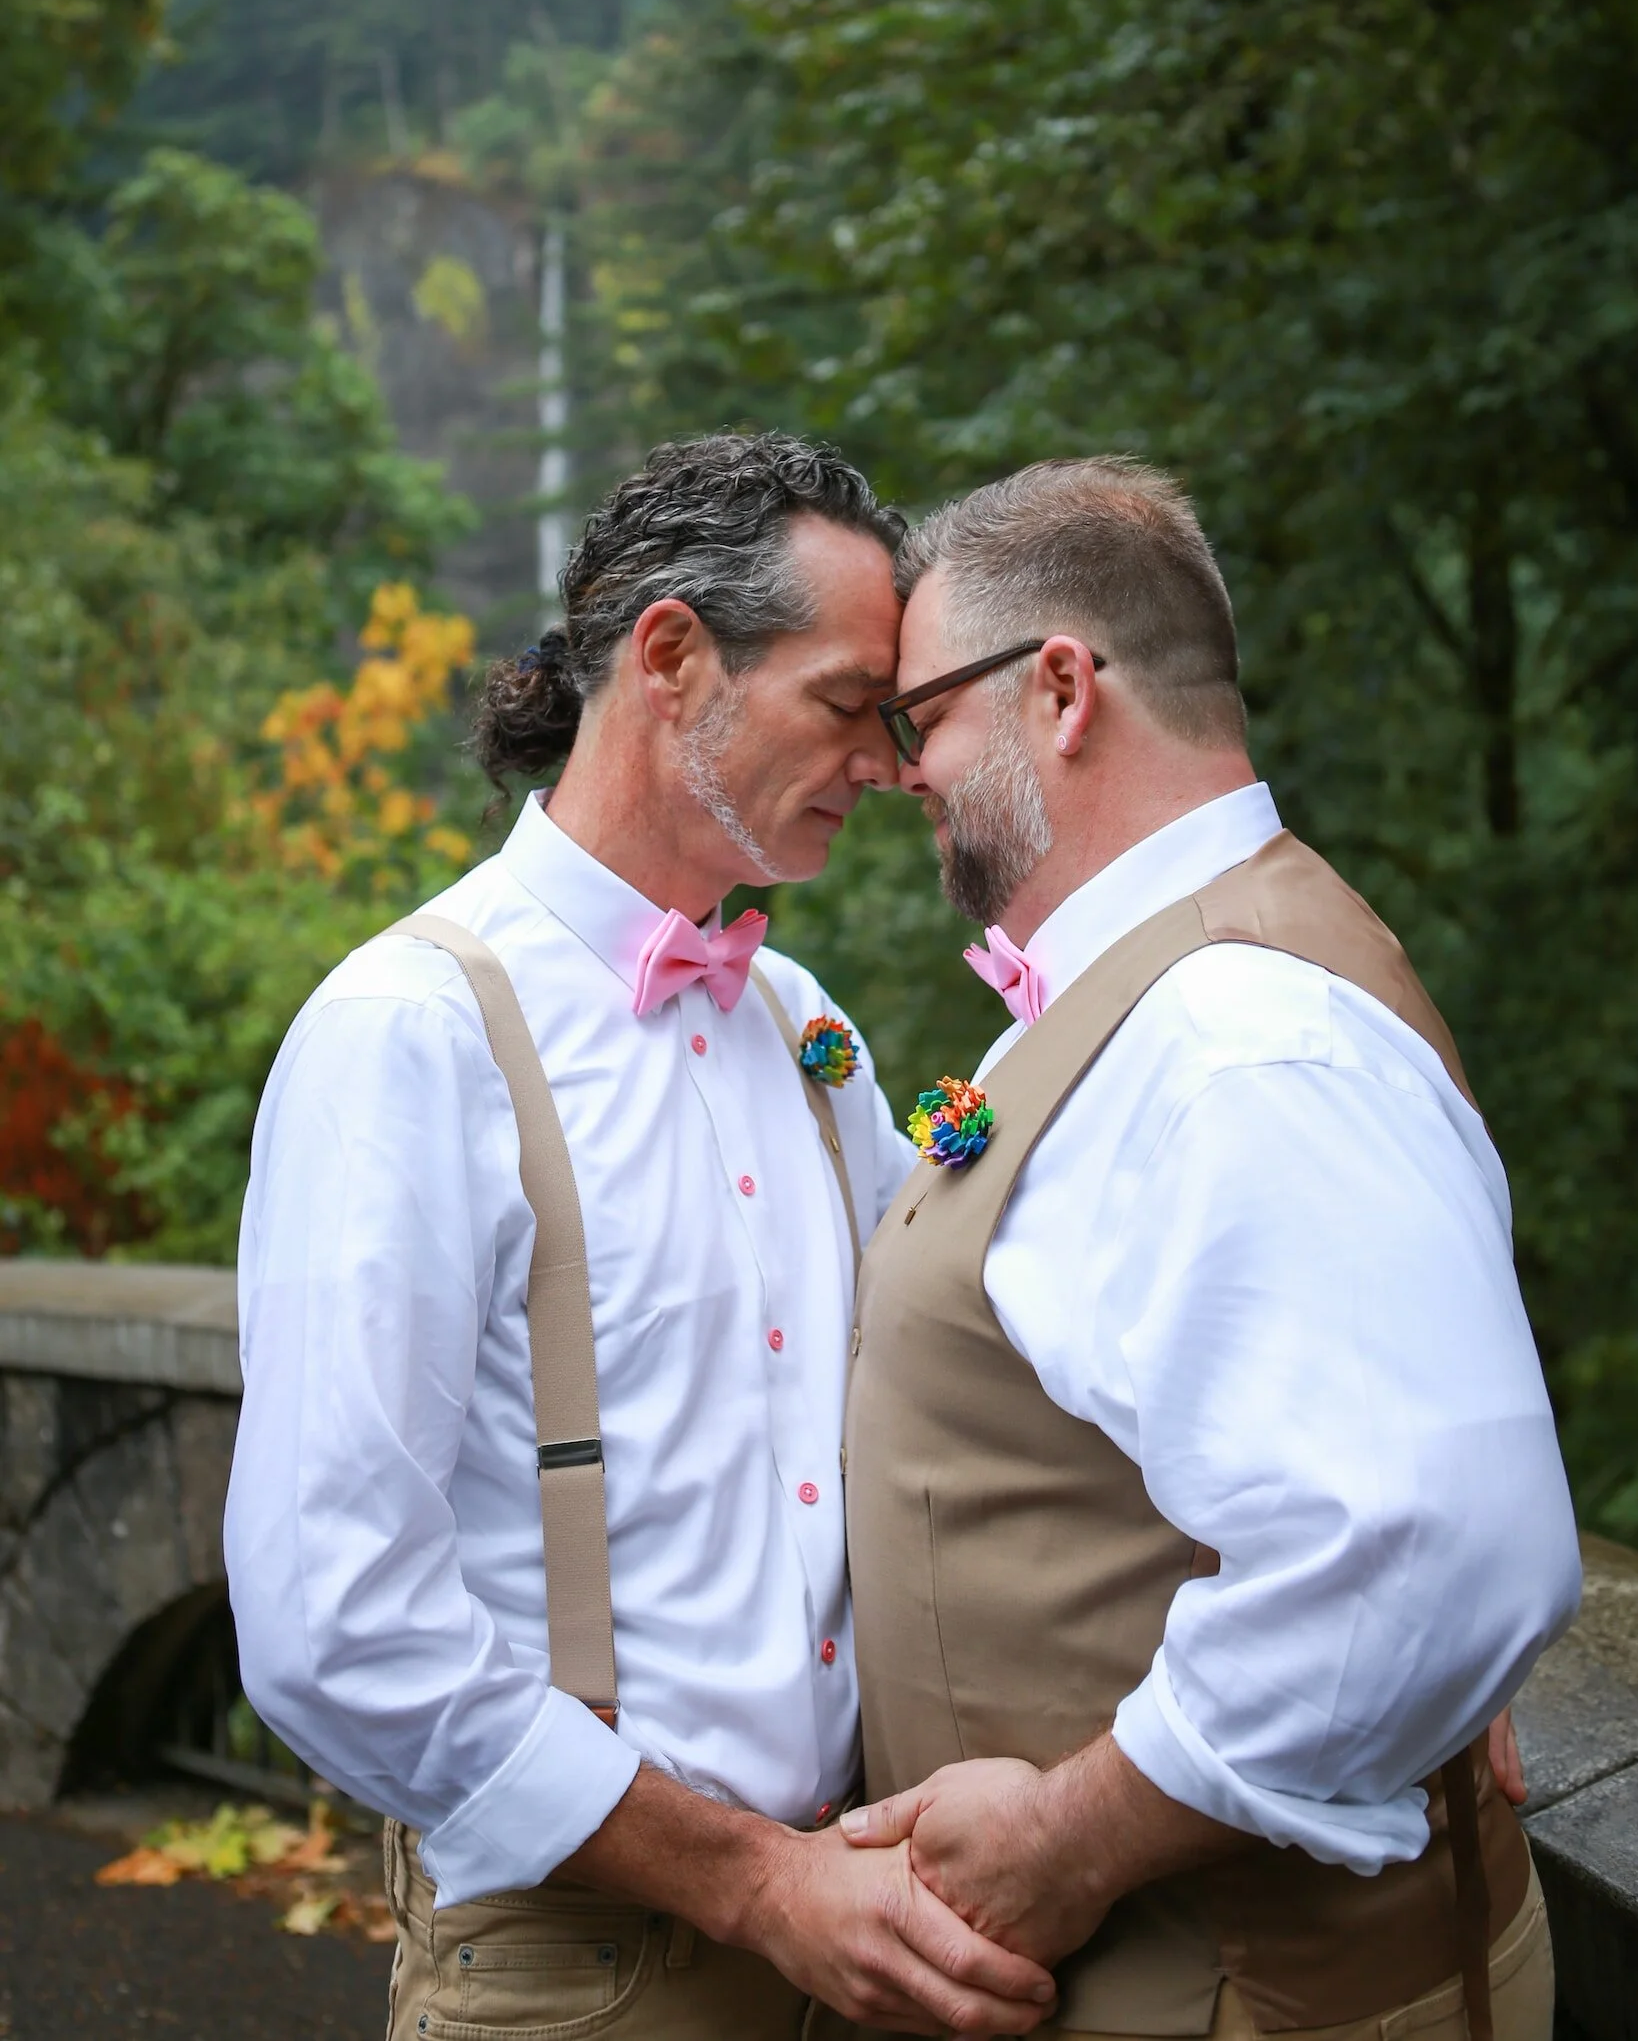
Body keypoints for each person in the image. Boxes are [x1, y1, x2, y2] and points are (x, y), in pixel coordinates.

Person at [223, 434, 1056, 2041]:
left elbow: (990, 1329)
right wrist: (753, 1884)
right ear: (671, 660)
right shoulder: (409, 1033)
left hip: (865, 1931)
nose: (891, 767)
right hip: (580, 1968)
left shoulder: (802, 1027)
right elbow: (332, 1624)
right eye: (848, 703)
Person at [838, 455, 1581, 2041]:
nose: (903, 771)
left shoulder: (1235, 1037)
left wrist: (1066, 1839)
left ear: (1059, 690)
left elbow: (1429, 1543)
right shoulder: (1188, 985)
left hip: (1245, 1996)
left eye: (921, 717)